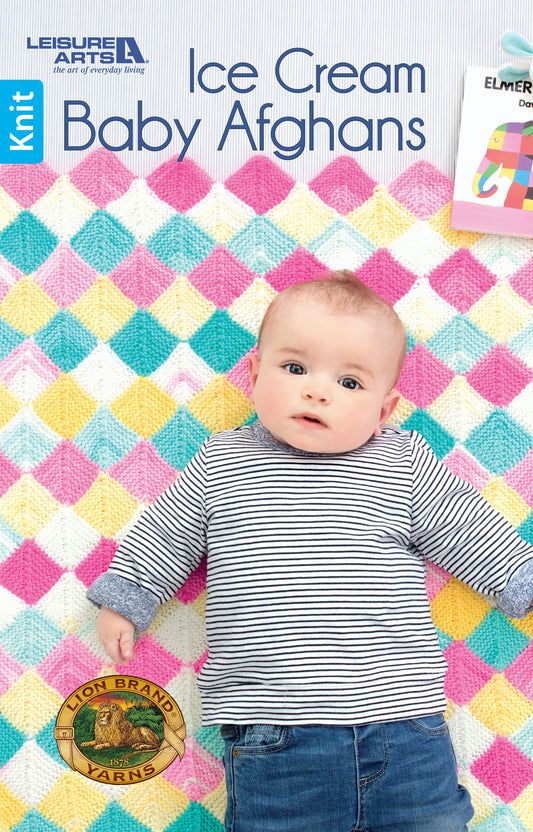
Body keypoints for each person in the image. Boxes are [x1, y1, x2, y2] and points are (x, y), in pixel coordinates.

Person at [87, 271, 533, 832]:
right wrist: (128, 596)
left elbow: (471, 530)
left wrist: (521, 579)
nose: (318, 390)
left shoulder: (402, 464)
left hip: (405, 729)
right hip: (274, 738)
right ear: (253, 373)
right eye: (295, 369)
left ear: (384, 409)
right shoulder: (223, 463)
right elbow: (164, 533)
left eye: (350, 383)